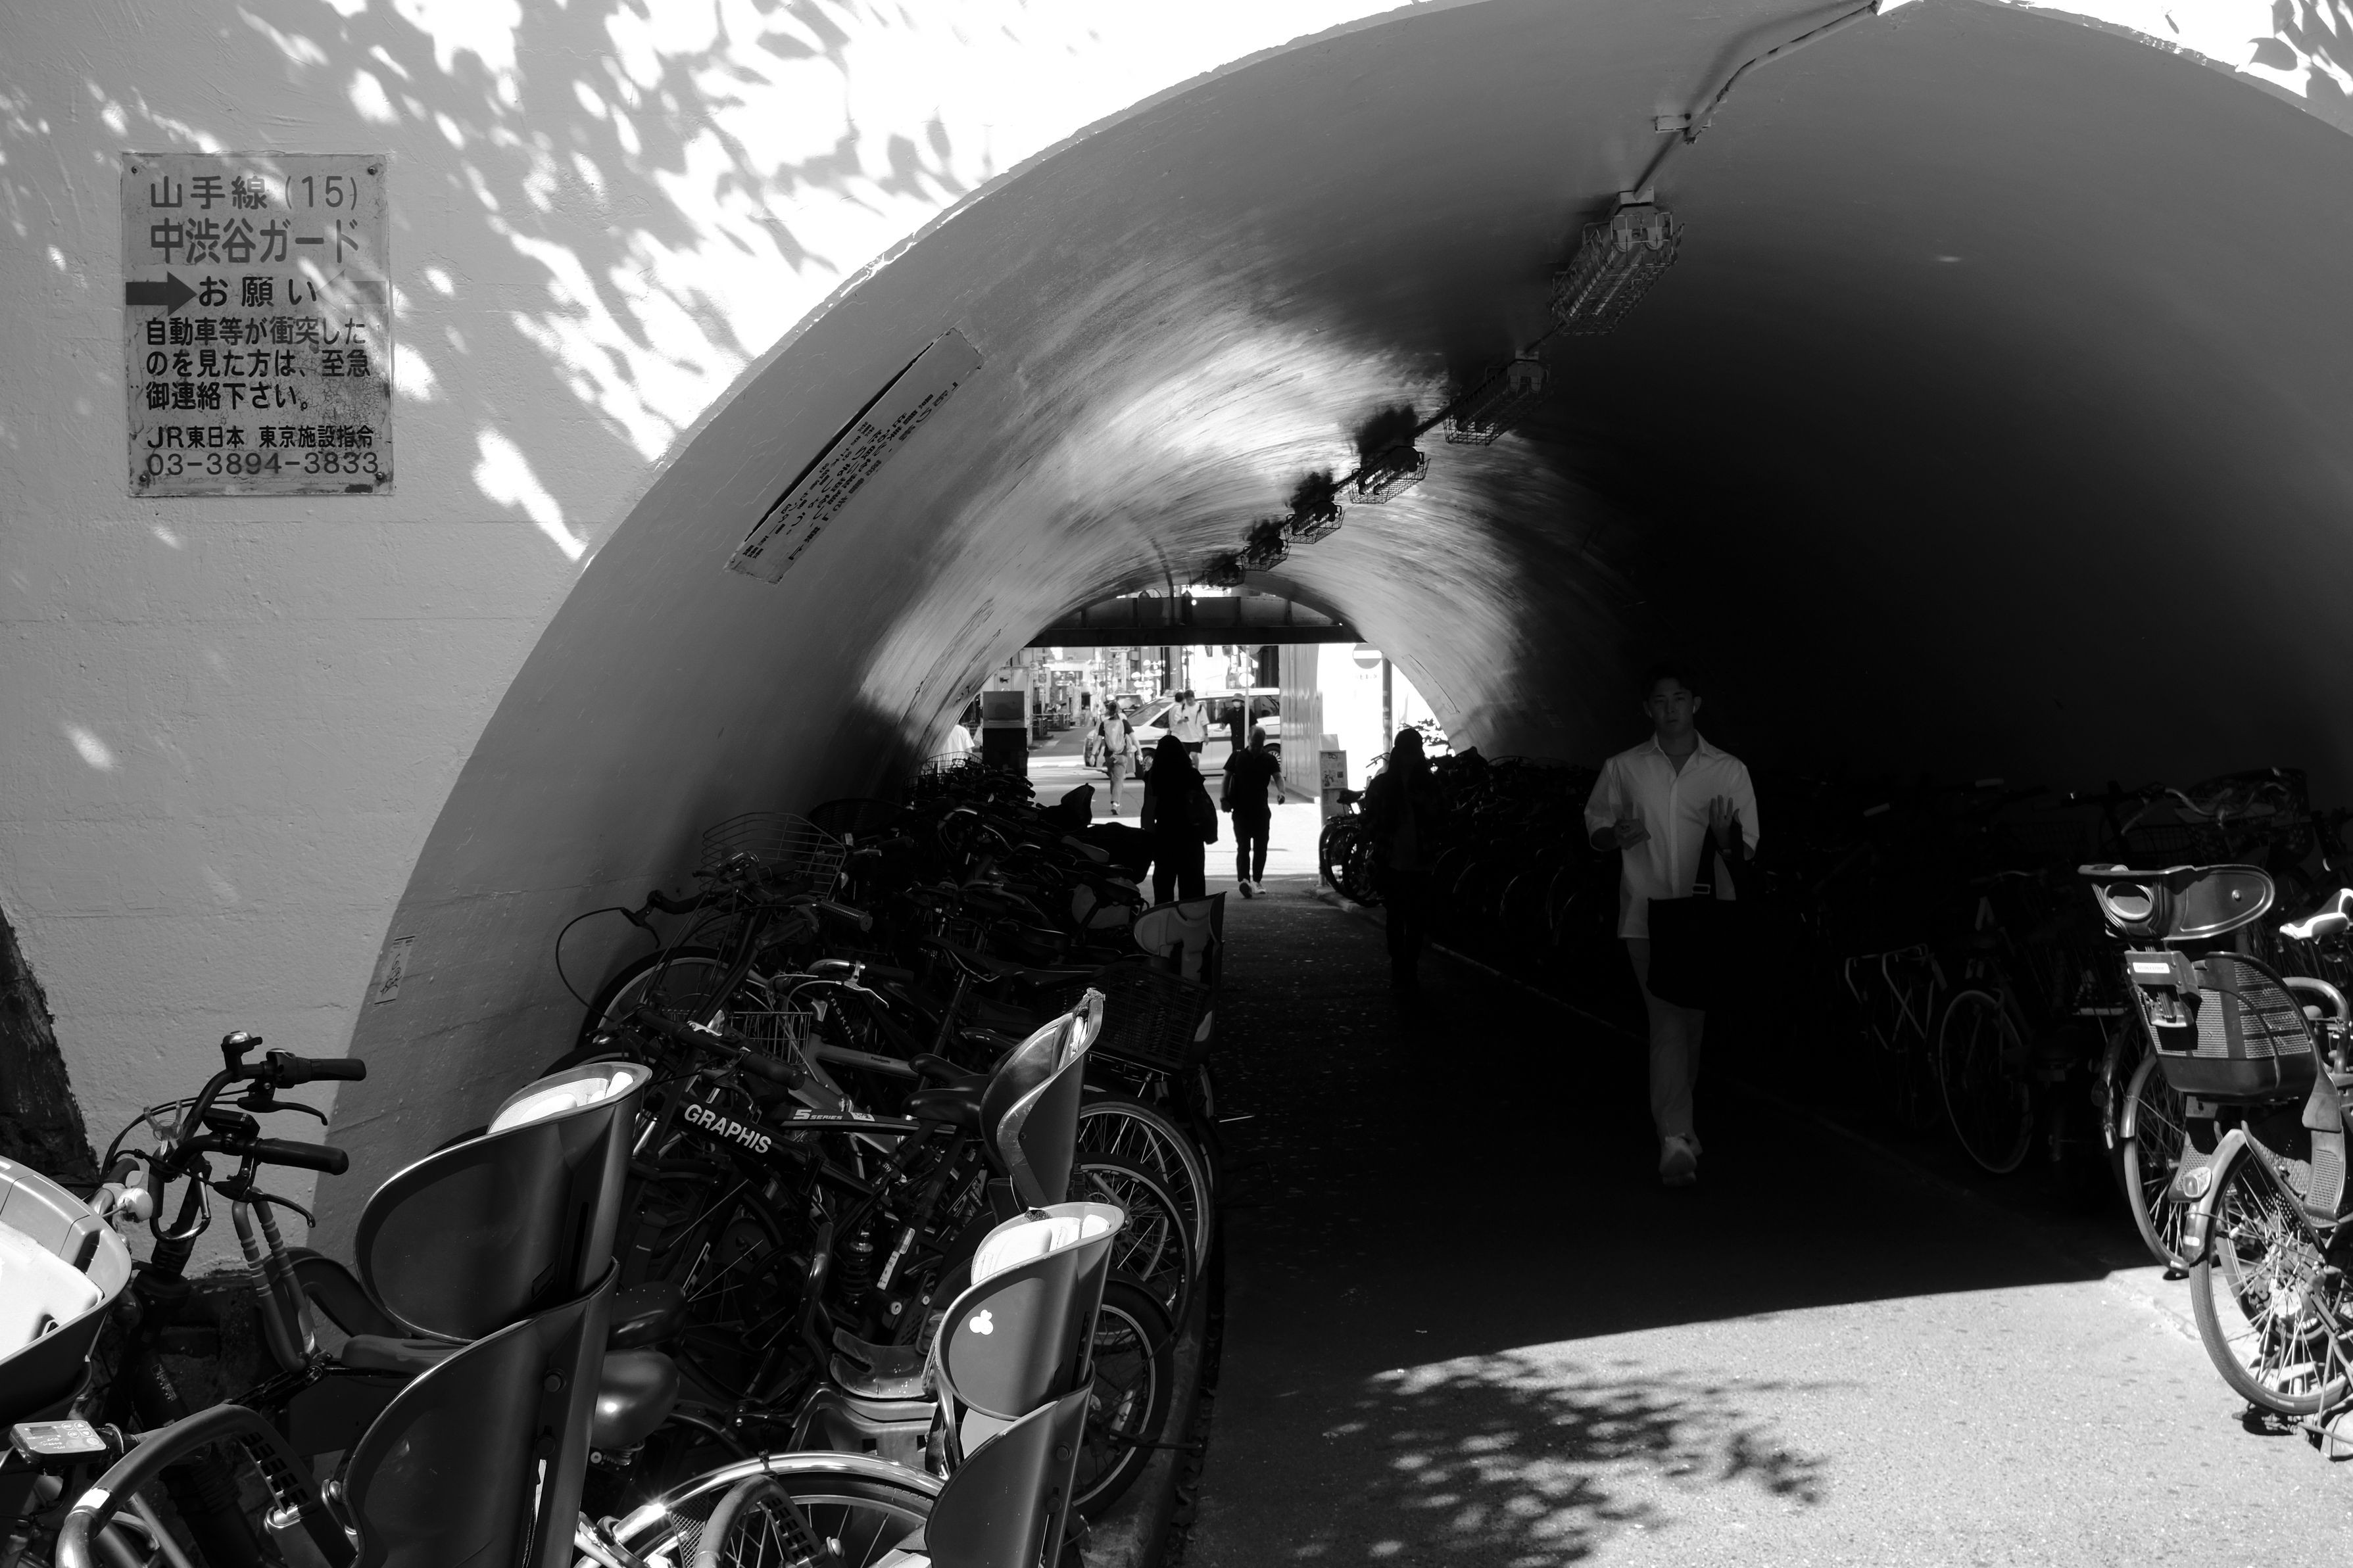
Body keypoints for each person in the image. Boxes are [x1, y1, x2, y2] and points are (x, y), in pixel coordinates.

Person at [1580, 662, 1758, 1189]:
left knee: (1691, 1023)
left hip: (1706, 919)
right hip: (1647, 914)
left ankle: (1679, 1121)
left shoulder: (1728, 771)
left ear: (1695, 704)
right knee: (1669, 1021)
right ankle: (1675, 1136)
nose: (1670, 708)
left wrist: (1725, 839)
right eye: (1660, 700)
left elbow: (1748, 849)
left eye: (1679, 698)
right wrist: (1616, 835)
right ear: (1647, 709)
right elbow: (1596, 824)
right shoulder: (1624, 767)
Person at [1359, 728, 1441, 990]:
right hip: (1397, 858)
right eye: (1410, 751)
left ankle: (1407, 968)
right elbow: (1370, 818)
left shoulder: (1421, 784)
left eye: (1415, 751)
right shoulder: (1388, 784)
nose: (1413, 757)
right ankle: (1402, 967)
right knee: (1401, 916)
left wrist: (1424, 806)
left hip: (1413, 858)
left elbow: (1441, 815)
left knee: (1409, 917)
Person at [1140, 733, 1216, 903]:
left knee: (1164, 889)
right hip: (1192, 838)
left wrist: (1149, 839)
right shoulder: (1192, 775)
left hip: (1166, 837)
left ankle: (1166, 919)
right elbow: (1203, 806)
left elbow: (1148, 811)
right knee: (1193, 892)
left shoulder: (1155, 776)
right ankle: (1191, 918)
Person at [1221, 725, 1286, 897]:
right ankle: (1244, 880)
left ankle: (1256, 881)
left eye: (1259, 744)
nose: (1256, 747)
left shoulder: (1269, 759)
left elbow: (1278, 777)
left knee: (1261, 847)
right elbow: (1226, 777)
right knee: (1243, 846)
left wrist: (1282, 792)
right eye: (1254, 743)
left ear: (1263, 742)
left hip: (1261, 811)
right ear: (1249, 739)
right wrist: (1223, 799)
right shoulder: (1237, 756)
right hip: (1241, 811)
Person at [1097, 702, 1138, 815]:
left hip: (1109, 756)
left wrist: (1093, 754)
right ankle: (1116, 803)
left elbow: (1098, 740)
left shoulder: (1104, 723)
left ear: (1108, 711)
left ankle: (1115, 801)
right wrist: (1139, 751)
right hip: (1121, 755)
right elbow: (1134, 739)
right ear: (1119, 711)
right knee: (1118, 780)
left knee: (1114, 778)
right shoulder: (1124, 722)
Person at [1171, 690, 1208, 761]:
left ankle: (1196, 767)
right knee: (1185, 757)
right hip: (1184, 737)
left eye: (1190, 699)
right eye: (1187, 700)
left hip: (1197, 737)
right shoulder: (1181, 708)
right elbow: (1176, 720)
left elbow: (1204, 722)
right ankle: (1189, 767)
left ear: (1194, 698)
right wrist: (1182, 720)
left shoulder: (1200, 708)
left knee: (1194, 755)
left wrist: (1206, 735)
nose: (1189, 701)